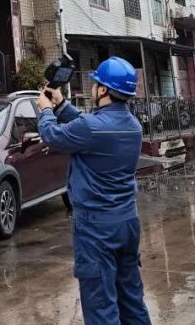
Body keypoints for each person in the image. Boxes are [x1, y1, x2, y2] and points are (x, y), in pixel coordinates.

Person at [37, 57, 151, 325]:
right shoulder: (133, 126)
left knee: (101, 306)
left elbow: (52, 135)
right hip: (127, 222)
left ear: (103, 90)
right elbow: (90, 126)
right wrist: (62, 105)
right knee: (131, 299)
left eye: (96, 83)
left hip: (96, 228)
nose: (92, 87)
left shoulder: (90, 128)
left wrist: (46, 110)